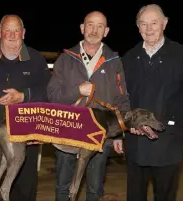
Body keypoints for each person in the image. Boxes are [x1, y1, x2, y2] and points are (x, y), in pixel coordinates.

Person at [120, 4, 183, 201]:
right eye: (144, 24)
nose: (149, 28)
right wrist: (123, 128)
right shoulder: (129, 58)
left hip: (167, 144)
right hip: (136, 145)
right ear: (138, 27)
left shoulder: (181, 55)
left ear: (165, 24)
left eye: (154, 23)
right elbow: (121, 99)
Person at [46, 11, 131, 201]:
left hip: (101, 136)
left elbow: (121, 99)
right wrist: (77, 91)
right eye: (90, 25)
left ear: (106, 31)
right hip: (67, 134)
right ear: (82, 28)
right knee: (63, 188)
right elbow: (52, 96)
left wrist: (118, 133)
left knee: (94, 190)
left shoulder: (114, 61)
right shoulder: (65, 59)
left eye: (100, 26)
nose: (94, 30)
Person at [0, 14, 51, 201]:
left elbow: (50, 93)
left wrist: (24, 96)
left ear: (23, 33)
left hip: (25, 136)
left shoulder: (36, 59)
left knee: (23, 189)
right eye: (7, 30)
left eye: (17, 30)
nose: (12, 35)